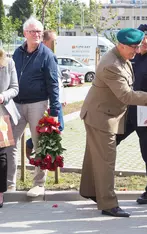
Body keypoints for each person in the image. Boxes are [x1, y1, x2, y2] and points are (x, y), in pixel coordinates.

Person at [79, 28, 147, 218]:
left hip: (104, 113)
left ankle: (91, 191)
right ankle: (108, 204)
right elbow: (126, 95)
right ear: (121, 45)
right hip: (101, 116)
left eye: (138, 46)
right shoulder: (112, 64)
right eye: (134, 47)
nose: (137, 50)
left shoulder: (121, 57)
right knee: (106, 160)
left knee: (95, 157)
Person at [7, 17, 61, 196]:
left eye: (39, 31)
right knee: (9, 145)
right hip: (14, 105)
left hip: (38, 104)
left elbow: (53, 85)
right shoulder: (17, 53)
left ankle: (39, 184)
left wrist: (54, 111)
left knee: (40, 145)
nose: (36, 34)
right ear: (25, 34)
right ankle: (8, 185)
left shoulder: (47, 55)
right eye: (32, 31)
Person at [116, 24, 147, 204]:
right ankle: (101, 184)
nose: (145, 41)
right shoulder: (131, 57)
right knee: (110, 142)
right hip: (128, 111)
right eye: (142, 38)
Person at [25, 30, 66, 159]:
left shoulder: (51, 56)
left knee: (59, 128)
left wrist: (62, 98)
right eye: (54, 41)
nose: (56, 43)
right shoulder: (41, 57)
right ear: (45, 42)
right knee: (54, 128)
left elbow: (57, 82)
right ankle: (32, 145)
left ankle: (42, 153)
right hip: (46, 101)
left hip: (56, 99)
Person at [0, 48, 20, 208]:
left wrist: (3, 96)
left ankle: (0, 193)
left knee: (2, 154)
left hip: (2, 116)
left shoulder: (9, 62)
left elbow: (15, 87)